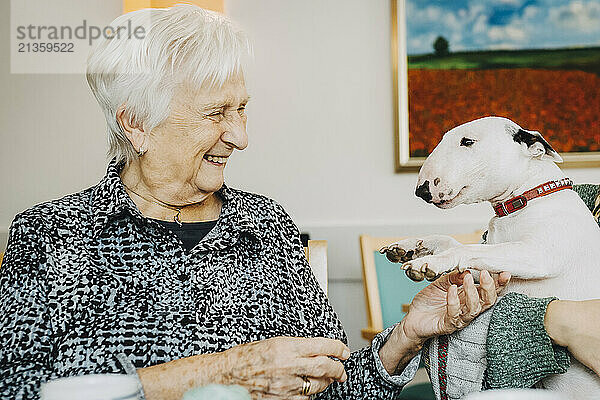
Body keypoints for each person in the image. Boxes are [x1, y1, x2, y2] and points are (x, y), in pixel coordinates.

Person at [0, 5, 597, 400]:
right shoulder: (51, 236)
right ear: (137, 124)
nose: (241, 135)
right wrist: (214, 373)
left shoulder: (267, 226)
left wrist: (408, 336)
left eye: (242, 108)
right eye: (216, 113)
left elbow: (337, 386)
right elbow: (16, 390)